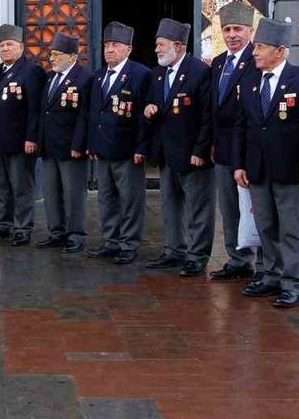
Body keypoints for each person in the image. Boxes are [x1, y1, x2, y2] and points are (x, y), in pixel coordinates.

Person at [233, 19, 299, 309]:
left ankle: (295, 283)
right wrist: (239, 164)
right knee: (266, 226)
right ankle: (271, 276)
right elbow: (242, 126)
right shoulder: (250, 82)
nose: (254, 52)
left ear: (281, 50)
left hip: (292, 169)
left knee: (293, 230)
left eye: (261, 47)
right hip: (258, 169)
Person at [143, 18, 214, 276]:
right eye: (157, 45)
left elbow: (208, 116)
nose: (157, 50)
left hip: (192, 154)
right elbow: (152, 103)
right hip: (166, 153)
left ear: (179, 46)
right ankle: (173, 250)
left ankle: (197, 255)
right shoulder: (158, 73)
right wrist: (149, 109)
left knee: (198, 208)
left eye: (161, 45)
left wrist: (200, 151)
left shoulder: (199, 71)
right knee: (170, 205)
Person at [85, 21, 152, 264]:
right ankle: (111, 241)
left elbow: (144, 117)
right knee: (106, 198)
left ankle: (129, 243)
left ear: (129, 49)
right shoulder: (98, 76)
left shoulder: (141, 74)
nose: (110, 50)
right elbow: (94, 113)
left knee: (131, 200)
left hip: (128, 149)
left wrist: (142, 147)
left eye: (115, 45)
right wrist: (92, 144)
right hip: (103, 149)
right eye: (107, 45)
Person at [208, 2, 263, 282]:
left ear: (250, 30)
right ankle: (238, 259)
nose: (232, 35)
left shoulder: (258, 59)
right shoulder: (218, 63)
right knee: (229, 209)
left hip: (249, 150)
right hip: (223, 150)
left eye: (238, 29)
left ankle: (263, 264)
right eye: (227, 29)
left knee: (255, 209)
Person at [0, 24, 46, 246]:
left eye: (10, 44)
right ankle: (3, 224)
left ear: (21, 47)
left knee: (21, 188)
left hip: (20, 142)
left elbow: (35, 109)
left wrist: (32, 138)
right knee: (1, 187)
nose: (5, 49)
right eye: (2, 45)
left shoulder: (31, 71)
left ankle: (22, 227)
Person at [37, 32, 93, 253]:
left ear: (72, 56)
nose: (52, 59)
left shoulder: (84, 78)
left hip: (71, 147)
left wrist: (79, 145)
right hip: (50, 146)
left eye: (57, 54)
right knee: (51, 193)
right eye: (51, 54)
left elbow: (84, 116)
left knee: (73, 194)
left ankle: (75, 234)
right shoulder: (51, 77)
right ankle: (56, 232)